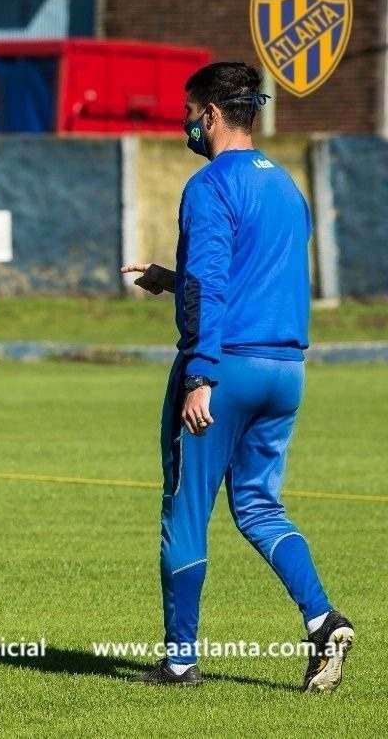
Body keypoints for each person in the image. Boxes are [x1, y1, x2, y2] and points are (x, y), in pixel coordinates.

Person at [121, 62, 353, 691]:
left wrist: (200, 375)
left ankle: (179, 662)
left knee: (185, 511)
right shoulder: (286, 186)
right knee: (257, 506)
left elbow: (210, 285)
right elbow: (251, 278)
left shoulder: (208, 186)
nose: (185, 124)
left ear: (213, 114)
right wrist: (169, 280)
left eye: (188, 112)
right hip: (285, 371)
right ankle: (323, 620)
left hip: (224, 369)